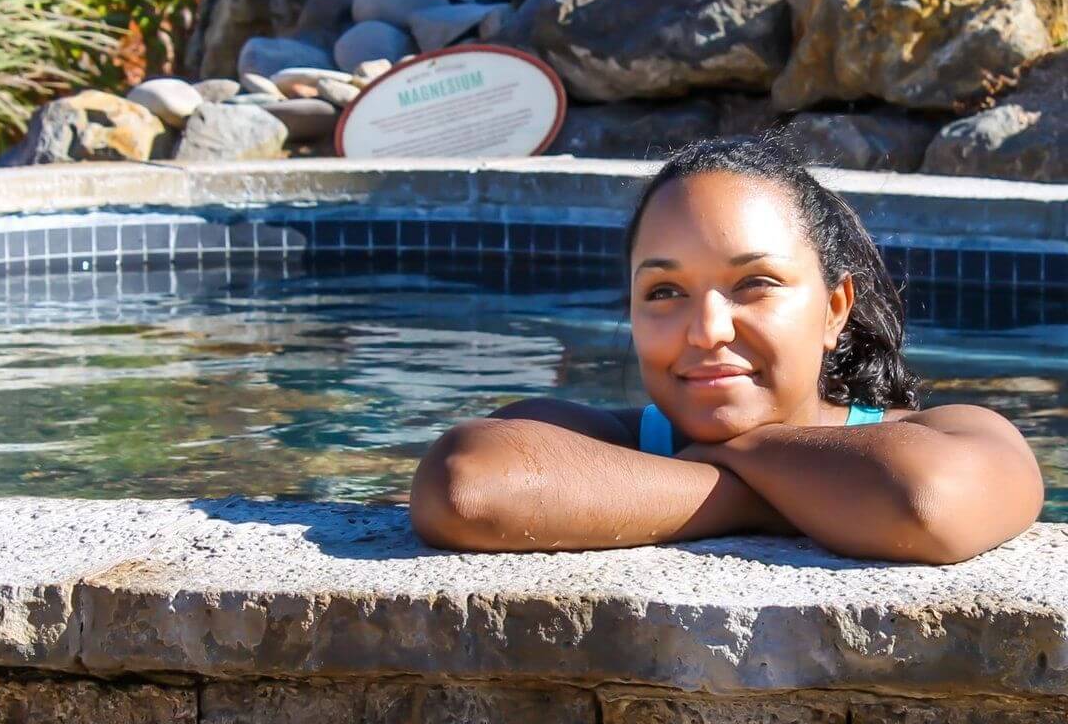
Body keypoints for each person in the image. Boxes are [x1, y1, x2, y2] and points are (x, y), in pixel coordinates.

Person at [408, 134, 1044, 564]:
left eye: (754, 284)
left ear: (834, 308)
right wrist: (767, 493)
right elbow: (466, 484)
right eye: (664, 291)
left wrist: (730, 455)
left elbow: (925, 501)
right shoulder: (606, 438)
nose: (707, 329)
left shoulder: (951, 432)